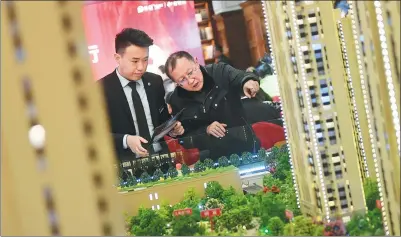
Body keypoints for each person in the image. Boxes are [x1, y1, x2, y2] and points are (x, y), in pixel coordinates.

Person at [98, 28, 184, 162]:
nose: (141, 67)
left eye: (145, 60)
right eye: (135, 61)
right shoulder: (100, 89)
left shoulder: (155, 81)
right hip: (125, 166)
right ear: (118, 58)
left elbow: (162, 121)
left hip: (161, 159)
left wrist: (172, 129)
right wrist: (126, 140)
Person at [165, 51, 260, 160]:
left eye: (190, 72)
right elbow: (185, 138)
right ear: (176, 83)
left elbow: (240, 76)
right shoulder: (176, 100)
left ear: (196, 62)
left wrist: (248, 82)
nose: (190, 80)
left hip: (246, 148)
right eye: (182, 80)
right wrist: (205, 130)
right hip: (211, 159)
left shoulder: (219, 72)